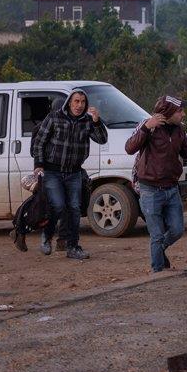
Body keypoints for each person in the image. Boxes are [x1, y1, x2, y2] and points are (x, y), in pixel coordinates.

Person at [125, 96, 187, 272]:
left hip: (171, 187)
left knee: (177, 230)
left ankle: (159, 251)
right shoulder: (148, 126)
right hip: (150, 189)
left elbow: (186, 152)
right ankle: (158, 272)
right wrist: (147, 127)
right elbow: (129, 147)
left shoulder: (179, 130)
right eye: (180, 111)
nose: (183, 114)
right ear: (168, 112)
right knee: (156, 235)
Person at [31, 88, 108, 260]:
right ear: (69, 102)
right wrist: (39, 165)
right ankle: (47, 235)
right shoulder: (54, 117)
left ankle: (73, 247)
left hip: (74, 173)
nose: (79, 105)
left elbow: (102, 139)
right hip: (52, 171)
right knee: (58, 205)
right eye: (76, 101)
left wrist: (96, 121)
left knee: (74, 209)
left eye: (82, 102)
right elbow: (39, 142)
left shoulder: (88, 121)